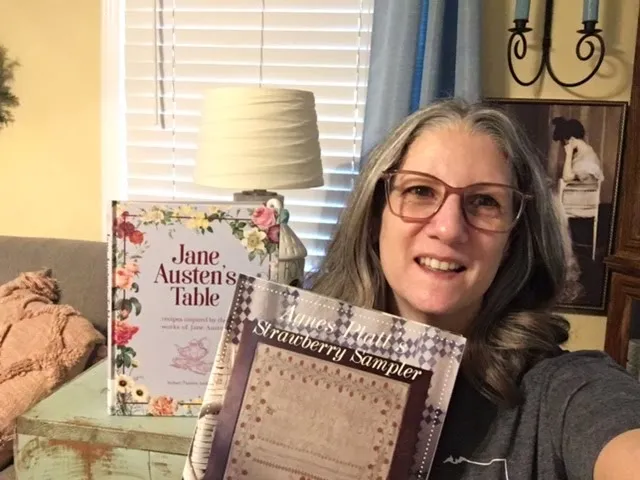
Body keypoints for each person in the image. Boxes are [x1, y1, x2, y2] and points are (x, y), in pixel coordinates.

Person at [308, 98, 640, 479]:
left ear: (512, 240)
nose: (449, 229)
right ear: (374, 218)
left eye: (484, 201)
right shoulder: (296, 367)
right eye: (421, 191)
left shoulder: (561, 392)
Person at [551, 116, 604, 183]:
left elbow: (566, 178)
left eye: (564, 143)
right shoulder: (585, 153)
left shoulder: (586, 159)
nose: (564, 147)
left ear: (571, 140)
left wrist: (569, 154)